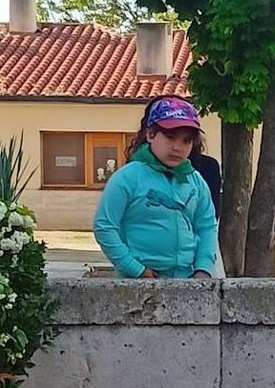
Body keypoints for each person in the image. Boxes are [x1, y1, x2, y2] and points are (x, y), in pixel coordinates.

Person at [93, 97, 217, 279]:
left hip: (188, 281)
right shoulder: (127, 177)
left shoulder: (195, 180)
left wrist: (203, 268)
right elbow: (104, 227)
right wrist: (135, 269)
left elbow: (207, 226)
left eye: (186, 141)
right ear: (150, 134)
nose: (177, 147)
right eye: (170, 137)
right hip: (136, 282)